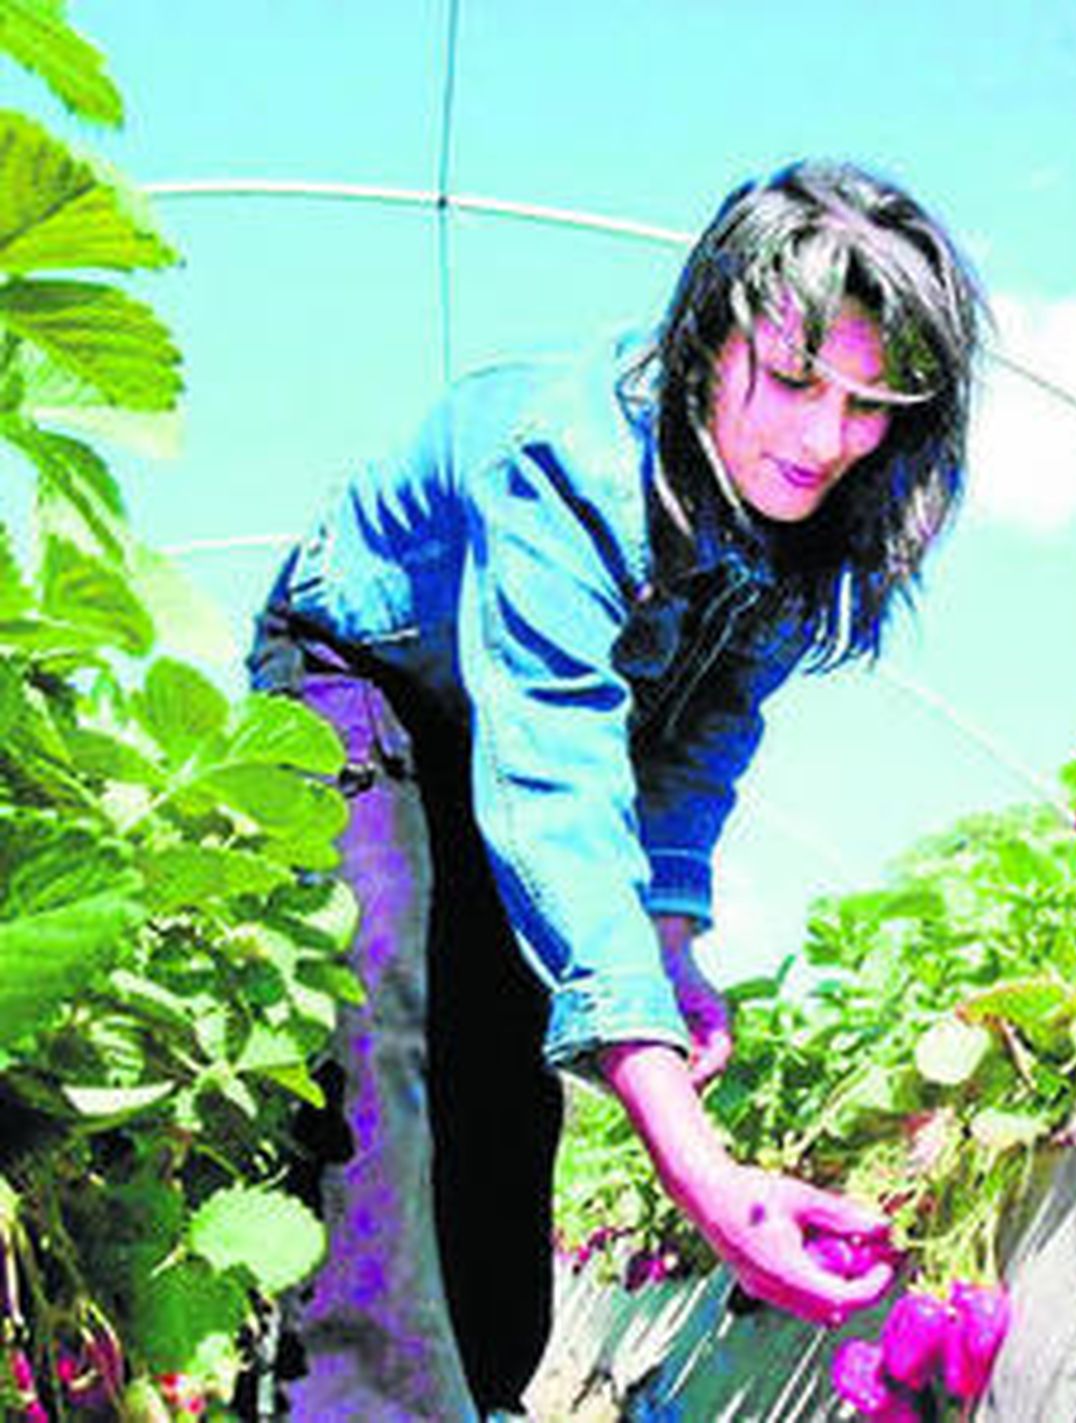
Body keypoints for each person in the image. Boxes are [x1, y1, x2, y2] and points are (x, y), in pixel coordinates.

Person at [248, 159, 984, 1420]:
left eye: (870, 406)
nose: (824, 440)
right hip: (367, 678)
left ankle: (480, 1394)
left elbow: (697, 742)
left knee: (506, 1061)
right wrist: (702, 1175)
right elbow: (554, 780)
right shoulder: (566, 459)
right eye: (793, 378)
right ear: (711, 337)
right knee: (387, 1013)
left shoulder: (798, 525)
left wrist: (671, 943)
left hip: (518, 739)